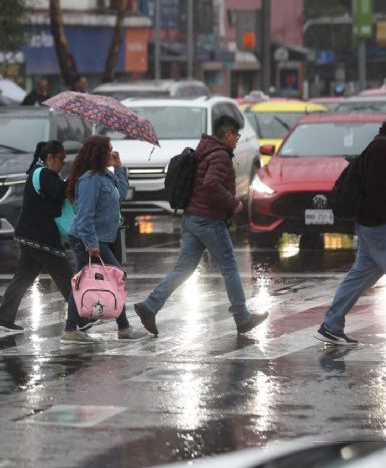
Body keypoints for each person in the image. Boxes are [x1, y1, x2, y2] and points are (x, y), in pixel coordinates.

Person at [133, 116, 268, 337]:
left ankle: (150, 306)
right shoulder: (220, 156)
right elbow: (211, 184)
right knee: (230, 269)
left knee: (183, 268)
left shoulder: (204, 150)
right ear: (227, 134)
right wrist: (234, 204)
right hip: (209, 220)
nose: (237, 140)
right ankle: (242, 318)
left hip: (192, 218)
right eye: (236, 135)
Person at [314, 104, 386, 346]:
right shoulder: (383, 148)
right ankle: (331, 324)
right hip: (385, 228)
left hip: (373, 227)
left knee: (359, 277)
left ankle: (331, 325)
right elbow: (375, 191)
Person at [60, 135, 136, 343]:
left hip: (102, 237)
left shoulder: (104, 176)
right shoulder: (90, 180)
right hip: (89, 239)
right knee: (115, 277)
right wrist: (91, 244)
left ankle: (71, 329)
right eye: (109, 148)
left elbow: (120, 194)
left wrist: (119, 169)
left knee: (89, 281)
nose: (113, 152)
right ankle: (124, 328)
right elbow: (84, 215)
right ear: (99, 153)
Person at [0, 141, 72, 332]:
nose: (62, 163)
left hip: (30, 235)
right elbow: (59, 192)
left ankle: (3, 318)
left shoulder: (40, 173)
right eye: (61, 159)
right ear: (50, 157)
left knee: (23, 278)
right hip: (40, 237)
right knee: (65, 276)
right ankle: (82, 317)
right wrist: (75, 178)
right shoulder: (43, 173)